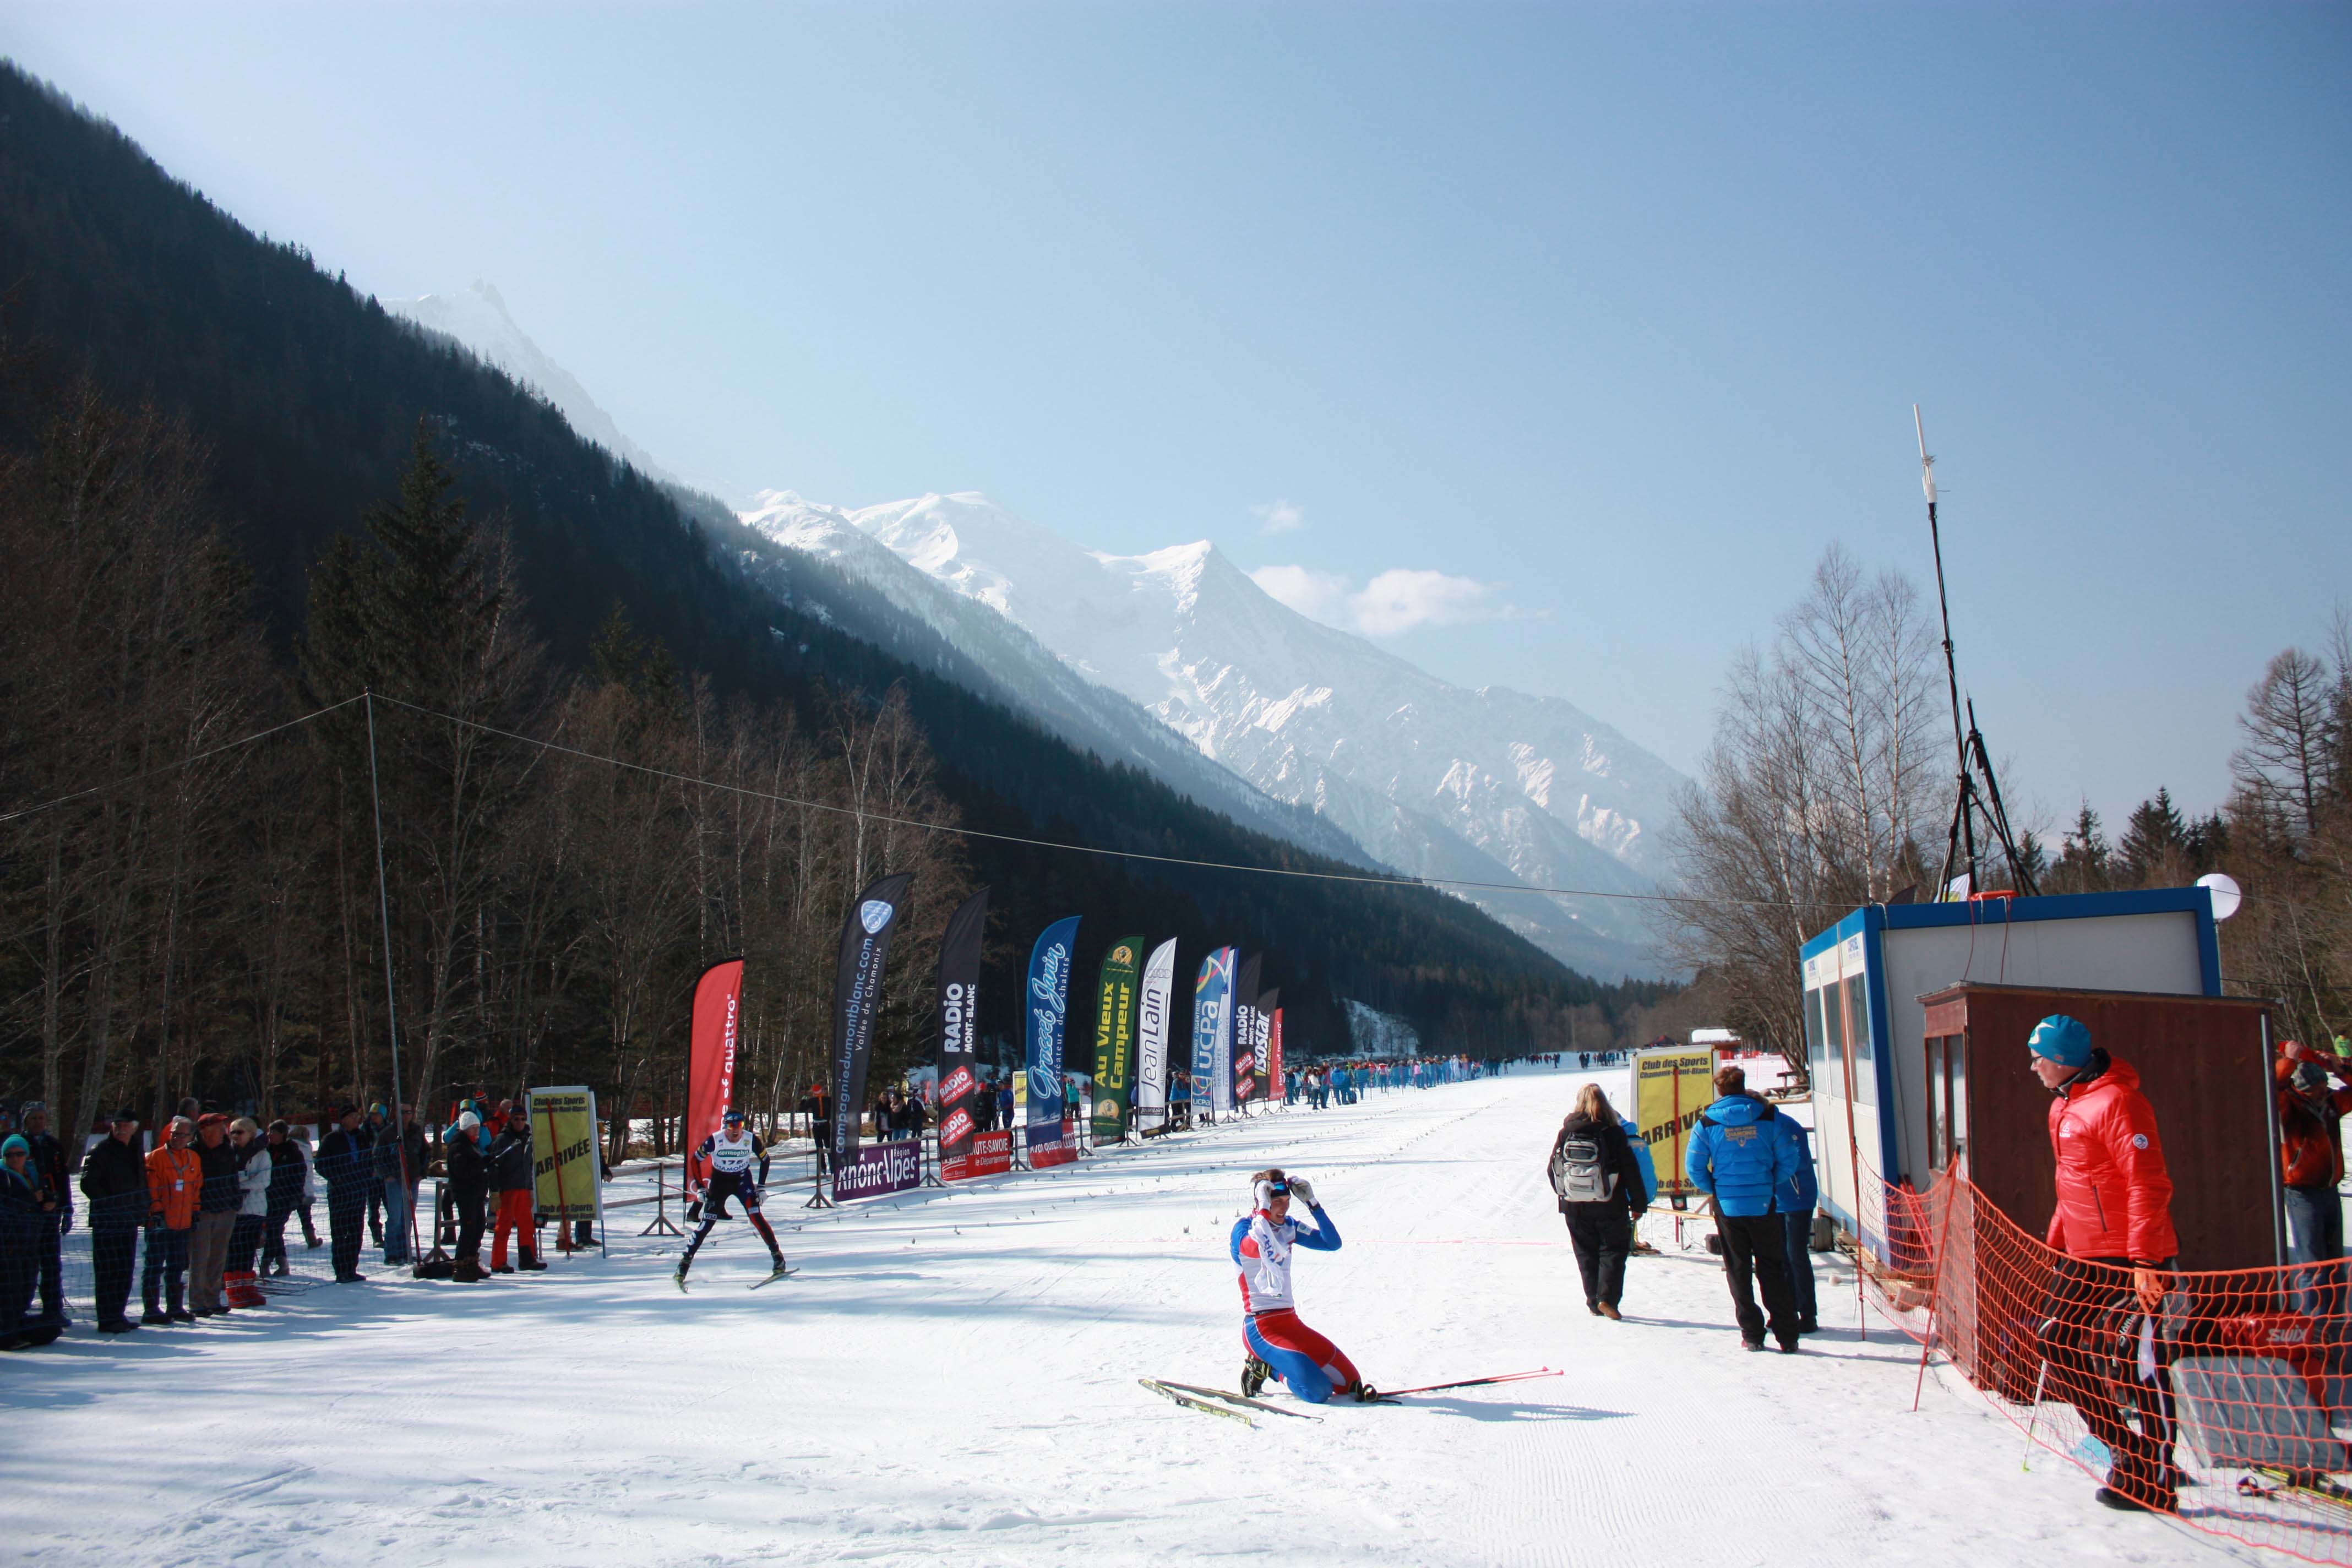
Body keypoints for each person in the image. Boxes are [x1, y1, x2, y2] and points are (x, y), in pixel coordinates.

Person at [2028, 1014, 2182, 1514]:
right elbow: (2072, 1183)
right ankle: (2126, 1448)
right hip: (2086, 1251)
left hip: (2133, 1252)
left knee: (2141, 1364)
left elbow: (2148, 1183)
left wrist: (2144, 1259)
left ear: (2062, 1062)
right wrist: (2056, 1241)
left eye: (2038, 1059)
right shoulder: (2065, 1106)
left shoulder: (2119, 1103)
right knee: (2055, 1336)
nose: (2033, 1068)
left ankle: (2156, 1479)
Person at [1230, 1168, 1371, 1403]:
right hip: (1262, 1328)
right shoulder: (1244, 1229)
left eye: (1287, 1201)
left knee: (1350, 1383)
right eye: (1276, 1202)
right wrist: (1264, 1210)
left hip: (1290, 1323)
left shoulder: (1288, 1227)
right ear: (1262, 1200)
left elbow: (1332, 1243)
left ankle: (1281, 1364)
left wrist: (1312, 1204)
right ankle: (1264, 1368)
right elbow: (1255, 1248)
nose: (1283, 1208)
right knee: (1318, 1392)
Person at [1685, 1064, 1799, 1353]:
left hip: (1728, 1205)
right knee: (1772, 1267)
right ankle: (1787, 1334)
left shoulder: (1707, 1123)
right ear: (1743, 1085)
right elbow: (1789, 1158)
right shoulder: (1768, 1116)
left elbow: (1694, 1167)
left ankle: (1752, 1333)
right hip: (1763, 1203)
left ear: (1719, 1089)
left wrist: (1715, 1187)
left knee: (1738, 1269)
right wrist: (1771, 1181)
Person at [1549, 1084, 1649, 1319]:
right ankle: (1608, 1299)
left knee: (1585, 1252)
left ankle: (1594, 1301)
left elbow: (1553, 1169)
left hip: (1575, 1205)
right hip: (1609, 1202)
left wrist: (1566, 1194)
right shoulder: (1613, 1133)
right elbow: (1630, 1169)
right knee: (1613, 1250)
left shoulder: (1566, 1132)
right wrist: (1637, 1203)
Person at [2276, 1041, 2352, 1319]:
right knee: (2313, 1266)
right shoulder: (2288, 1105)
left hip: (2329, 1191)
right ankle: (2313, 1326)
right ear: (2301, 1090)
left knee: (2336, 1266)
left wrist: (2340, 1068)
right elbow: (2271, 1088)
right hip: (2302, 1194)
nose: (2323, 1095)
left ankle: (2336, 1324)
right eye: (2315, 1092)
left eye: (2324, 1089)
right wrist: (2289, 1061)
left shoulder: (2332, 1103)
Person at [674, 1108, 788, 1288]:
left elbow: (765, 1160)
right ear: (725, 1126)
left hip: (742, 1180)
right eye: (731, 1126)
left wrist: (761, 1187)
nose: (735, 1130)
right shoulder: (716, 1139)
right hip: (720, 1182)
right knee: (707, 1223)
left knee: (756, 1217)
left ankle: (778, 1257)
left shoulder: (750, 1139)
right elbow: (695, 1160)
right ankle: (684, 1264)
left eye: (740, 1125)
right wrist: (702, 1188)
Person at [81, 1109, 149, 1332]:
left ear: (135, 1127)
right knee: (107, 1271)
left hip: (128, 1220)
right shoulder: (100, 1150)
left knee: (124, 1270)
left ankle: (118, 1314)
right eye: (117, 1124)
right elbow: (88, 1184)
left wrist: (141, 1209)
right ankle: (108, 1318)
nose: (121, 1128)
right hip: (107, 1222)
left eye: (126, 1124)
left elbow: (141, 1183)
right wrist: (110, 1205)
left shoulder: (136, 1149)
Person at [15, 1103, 70, 1338]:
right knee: (26, 1265)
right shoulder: (18, 1145)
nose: (38, 1122)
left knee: (51, 1264)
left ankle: (53, 1309)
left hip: (51, 1213)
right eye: (34, 1118)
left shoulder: (53, 1145)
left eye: (42, 1118)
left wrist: (66, 1208)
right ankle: (19, 1310)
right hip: (27, 1216)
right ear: (26, 1121)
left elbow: (63, 1177)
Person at [1, 1133, 60, 1349]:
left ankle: (17, 1326)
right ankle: (6, 1334)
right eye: (9, 1155)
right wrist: (31, 1200)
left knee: (26, 1286)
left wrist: (49, 1202)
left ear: (27, 1156)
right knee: (9, 1289)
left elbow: (44, 1196)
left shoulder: (33, 1174)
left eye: (19, 1154)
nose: (14, 1158)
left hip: (31, 1240)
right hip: (8, 1243)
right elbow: (8, 1206)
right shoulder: (2, 1176)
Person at [143, 1115, 200, 1323]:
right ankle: (151, 1309)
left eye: (181, 1135)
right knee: (154, 1266)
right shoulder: (155, 1157)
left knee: (176, 1266)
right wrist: (156, 1212)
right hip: (160, 1222)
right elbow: (151, 1187)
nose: (176, 1138)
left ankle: (175, 1306)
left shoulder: (194, 1158)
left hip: (183, 1222)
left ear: (190, 1137)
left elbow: (196, 1188)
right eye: (174, 1133)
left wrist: (195, 1211)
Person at [188, 1112, 242, 1316]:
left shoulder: (226, 1150)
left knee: (219, 1256)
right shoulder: (192, 1152)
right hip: (202, 1212)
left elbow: (233, 1177)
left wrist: (235, 1200)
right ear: (205, 1131)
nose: (224, 1130)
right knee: (200, 1257)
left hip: (226, 1209)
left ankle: (213, 1298)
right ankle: (197, 1301)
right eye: (220, 1127)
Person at [315, 1105, 373, 1282]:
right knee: (340, 1232)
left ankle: (352, 1268)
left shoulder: (363, 1138)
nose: (357, 1119)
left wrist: (365, 1177)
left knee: (356, 1231)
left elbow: (369, 1160)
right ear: (344, 1119)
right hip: (339, 1193)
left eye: (358, 1116)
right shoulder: (331, 1139)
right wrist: (338, 1179)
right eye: (353, 1116)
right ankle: (341, 1270)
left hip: (358, 1191)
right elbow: (321, 1165)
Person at [1777, 1114, 1822, 1334]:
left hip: (1797, 1198)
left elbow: (1800, 1160)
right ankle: (1787, 1311)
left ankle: (1807, 1313)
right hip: (1773, 1200)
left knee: (1796, 1255)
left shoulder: (1788, 1126)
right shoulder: (1759, 1125)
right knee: (1780, 1258)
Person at [222, 1117, 272, 1309]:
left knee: (249, 1250)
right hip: (234, 1210)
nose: (235, 1137)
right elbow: (229, 1179)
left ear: (251, 1134)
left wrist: (241, 1183)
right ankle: (233, 1290)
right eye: (232, 1132)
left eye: (240, 1132)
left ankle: (247, 1287)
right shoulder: (228, 1154)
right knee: (234, 1250)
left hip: (255, 1209)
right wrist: (244, 1180)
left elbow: (263, 1181)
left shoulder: (262, 1155)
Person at [487, 1110, 541, 1273]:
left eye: (523, 1119)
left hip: (523, 1188)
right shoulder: (503, 1139)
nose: (520, 1122)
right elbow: (494, 1166)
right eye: (516, 1119)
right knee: (503, 1226)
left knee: (526, 1226)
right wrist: (495, 1192)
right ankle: (498, 1262)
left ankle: (527, 1259)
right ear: (510, 1120)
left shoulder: (527, 1139)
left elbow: (529, 1165)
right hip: (507, 1189)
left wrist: (530, 1189)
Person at [375, 1103, 426, 1266]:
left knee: (408, 1217)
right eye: (402, 1112)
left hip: (412, 1179)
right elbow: (377, 1156)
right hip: (395, 1180)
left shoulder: (417, 1131)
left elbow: (426, 1152)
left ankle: (405, 1251)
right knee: (395, 1218)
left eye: (408, 1112)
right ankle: (392, 1253)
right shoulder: (388, 1134)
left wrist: (422, 1173)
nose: (405, 1115)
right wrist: (387, 1175)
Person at [445, 1110, 492, 1282]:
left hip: (476, 1193)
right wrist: (482, 1165)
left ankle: (472, 1262)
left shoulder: (472, 1144)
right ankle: (461, 1265)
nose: (476, 1132)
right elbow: (462, 1170)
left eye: (477, 1128)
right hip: (466, 1193)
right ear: (465, 1129)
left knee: (479, 1226)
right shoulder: (459, 1146)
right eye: (473, 1129)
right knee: (469, 1228)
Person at [260, 1120, 310, 1276]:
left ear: (282, 1134)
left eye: (273, 1132)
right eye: (269, 1132)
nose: (270, 1135)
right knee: (273, 1230)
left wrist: (296, 1195)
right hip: (268, 1197)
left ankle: (266, 1262)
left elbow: (300, 1175)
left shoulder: (293, 1152)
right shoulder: (266, 1151)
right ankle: (282, 1263)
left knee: (274, 1228)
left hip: (285, 1197)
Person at [362, 1104, 390, 1248]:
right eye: (372, 1114)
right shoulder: (364, 1131)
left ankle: (391, 1235)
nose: (374, 1117)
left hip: (387, 1177)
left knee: (391, 1208)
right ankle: (377, 1237)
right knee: (373, 1209)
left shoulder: (390, 1130)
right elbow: (363, 1154)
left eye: (377, 1114)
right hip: (371, 1177)